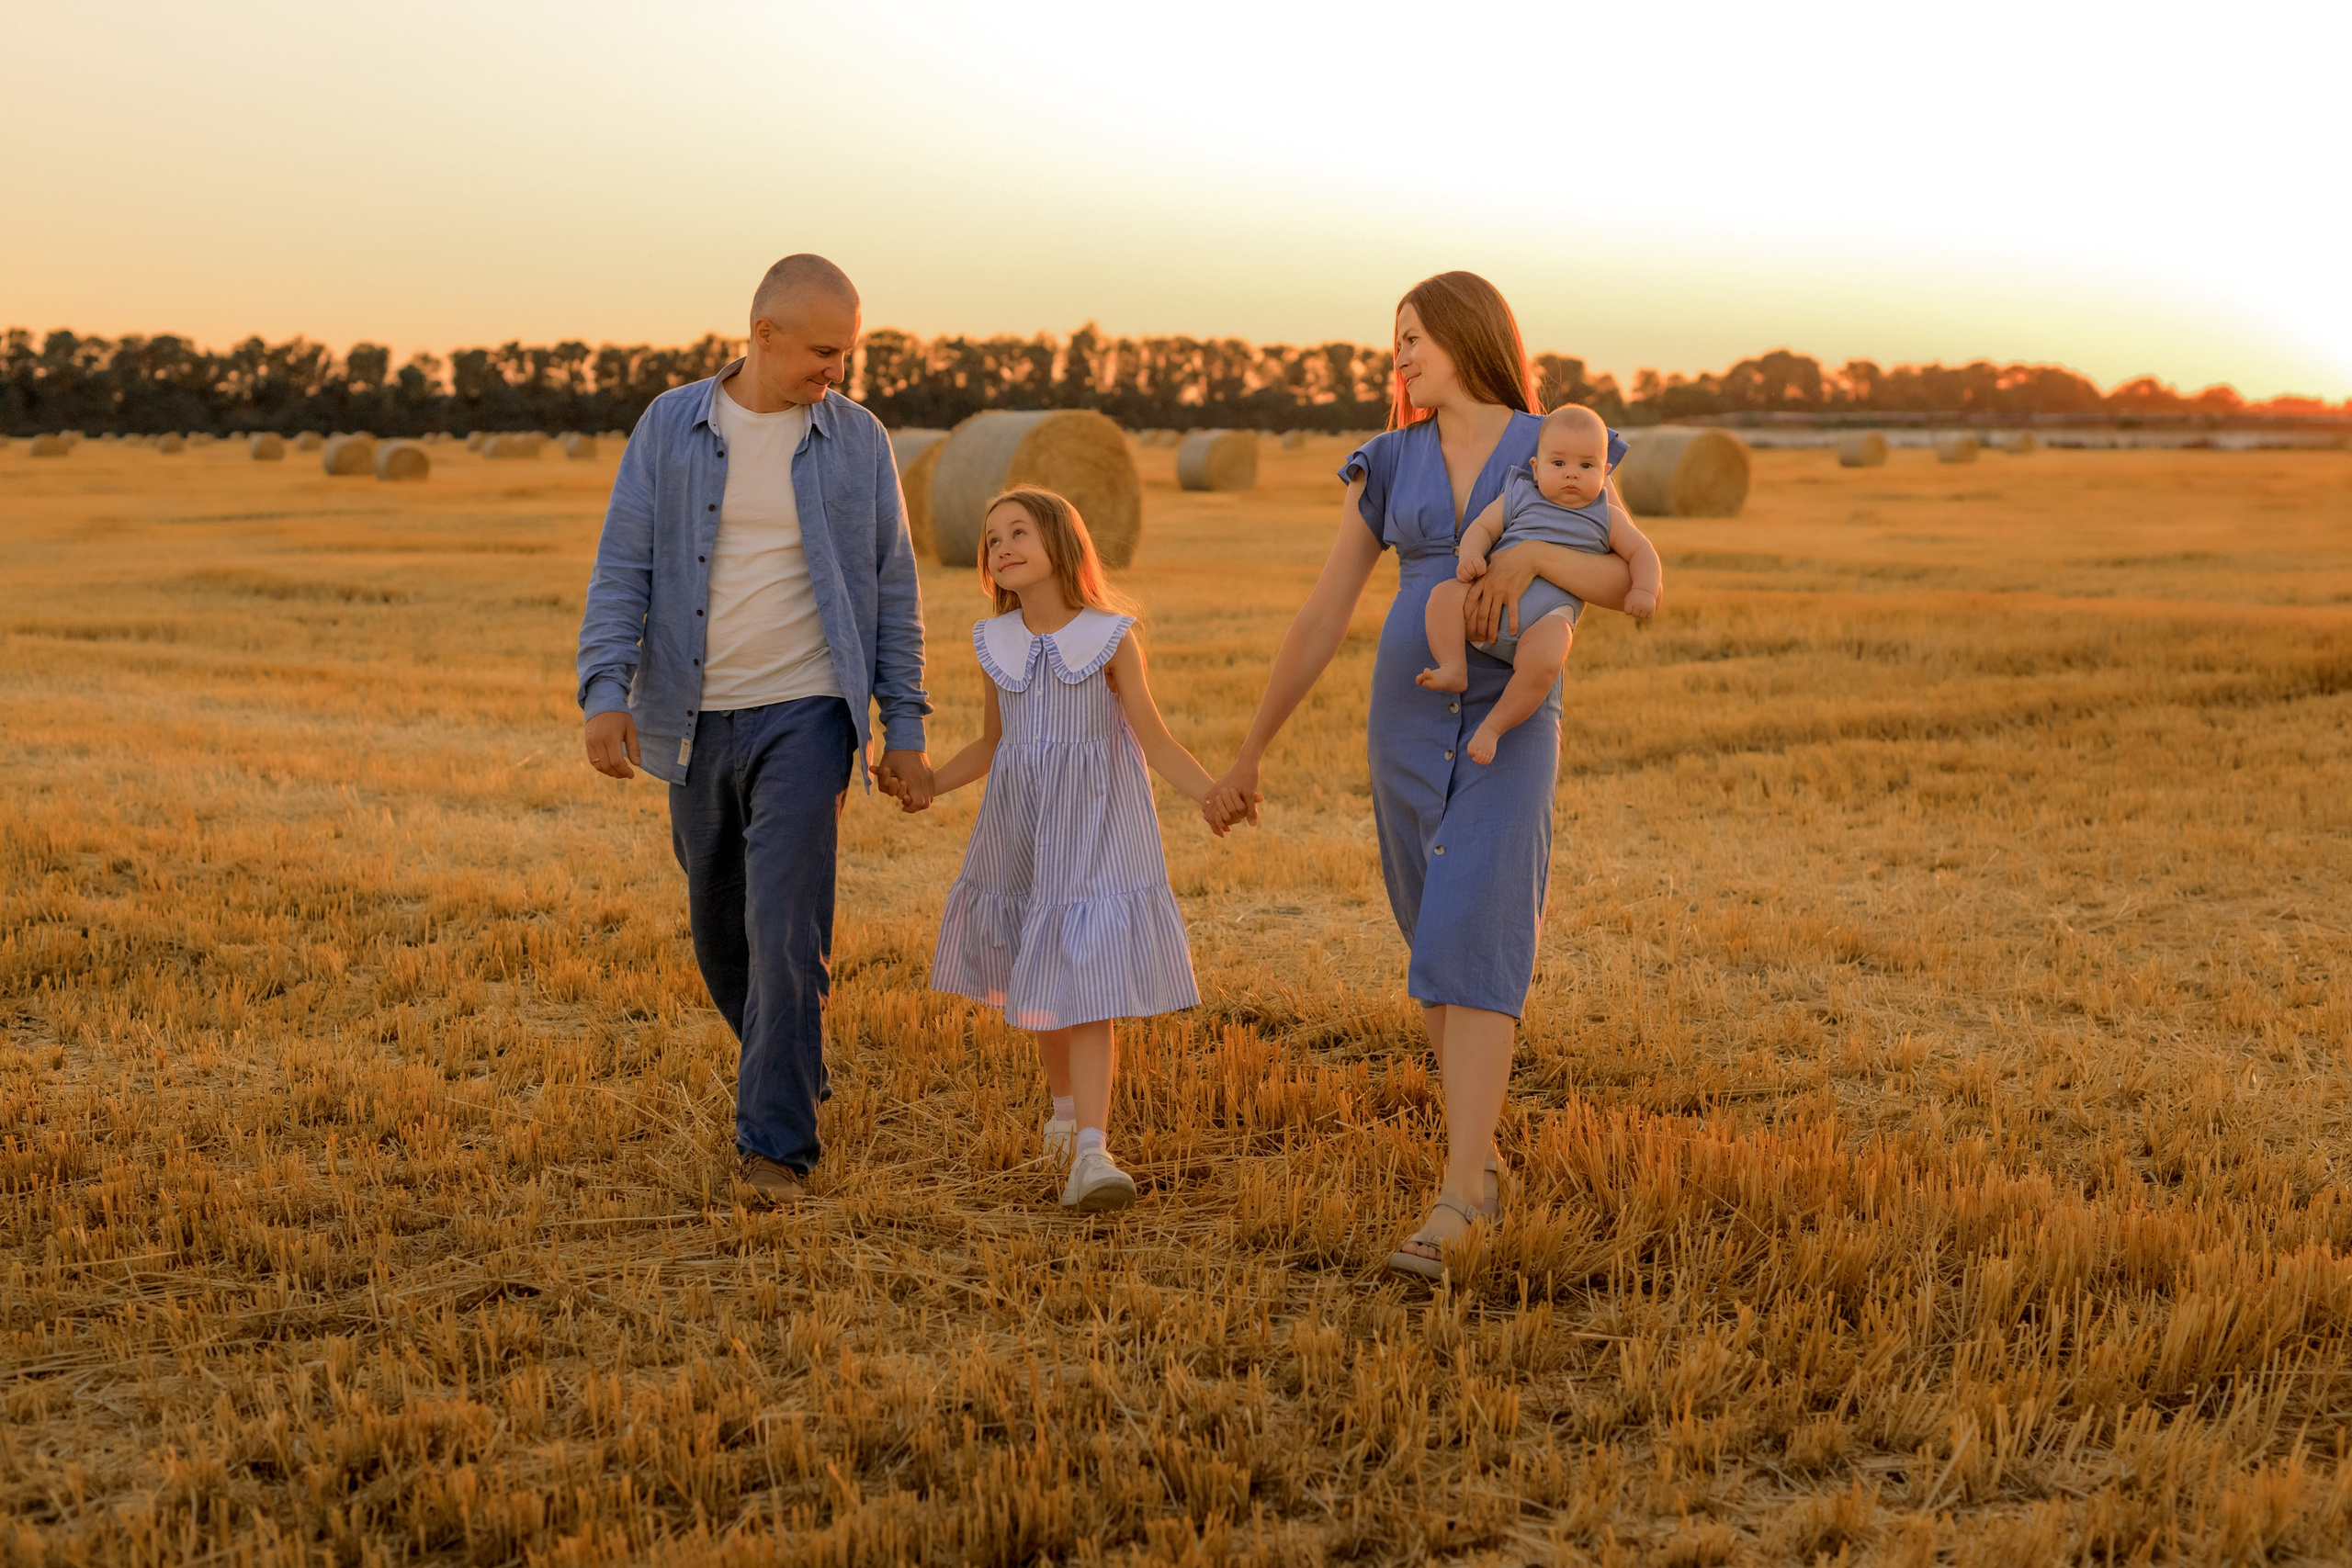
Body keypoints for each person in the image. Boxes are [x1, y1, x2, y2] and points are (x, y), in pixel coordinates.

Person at [1205, 270, 1657, 1279]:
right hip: (1405, 719)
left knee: (1477, 927)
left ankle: (1460, 1195)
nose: (1400, 354)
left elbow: (1626, 575)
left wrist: (1531, 564)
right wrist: (1252, 749)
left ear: (1467, 334)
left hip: (1510, 721)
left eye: (1415, 335)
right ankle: (1478, 1159)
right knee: (1431, 930)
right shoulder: (1387, 461)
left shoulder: (1554, 441)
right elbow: (1324, 614)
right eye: (1396, 338)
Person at [575, 254, 933, 1207]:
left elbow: (893, 586)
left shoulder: (857, 440)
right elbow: (623, 565)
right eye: (822, 351)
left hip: (809, 712)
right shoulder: (671, 424)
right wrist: (603, 690)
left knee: (785, 928)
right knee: (720, 930)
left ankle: (775, 1147)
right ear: (763, 334)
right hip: (693, 718)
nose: (837, 370)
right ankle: (792, 1061)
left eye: (847, 353)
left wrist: (903, 723)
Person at [921, 487, 1235, 1211]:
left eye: (1018, 532)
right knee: (1040, 968)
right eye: (992, 538)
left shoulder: (1111, 638)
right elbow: (992, 743)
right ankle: (1064, 1115)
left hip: (1095, 827)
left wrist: (1212, 793)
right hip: (1025, 826)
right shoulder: (995, 642)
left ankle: (1093, 1150)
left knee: (1087, 976)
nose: (1002, 546)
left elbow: (1156, 739)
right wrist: (930, 784)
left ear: (1062, 543)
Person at [1419, 404, 1662, 763]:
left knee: (1548, 660)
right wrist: (1470, 555)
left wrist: (1643, 589)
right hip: (1485, 601)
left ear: (1606, 472)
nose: (1572, 474)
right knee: (1443, 595)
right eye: (1558, 463)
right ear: (1536, 467)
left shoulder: (1607, 517)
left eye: (1587, 466)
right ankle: (1453, 665)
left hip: (1547, 617)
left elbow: (1642, 552)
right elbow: (1483, 527)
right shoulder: (1520, 495)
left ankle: (1494, 727)